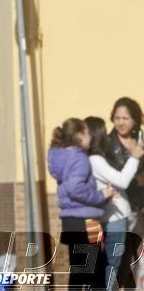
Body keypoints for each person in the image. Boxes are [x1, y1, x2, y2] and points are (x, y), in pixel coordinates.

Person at [48, 118, 114, 290]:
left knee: (79, 270)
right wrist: (102, 195)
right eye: (87, 133)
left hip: (71, 221)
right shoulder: (79, 158)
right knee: (97, 269)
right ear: (78, 135)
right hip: (87, 221)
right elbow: (75, 188)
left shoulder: (62, 157)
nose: (91, 138)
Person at [85, 116, 143, 290]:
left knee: (110, 263)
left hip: (107, 216)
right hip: (113, 218)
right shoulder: (95, 160)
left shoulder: (87, 159)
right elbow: (123, 181)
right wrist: (134, 157)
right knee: (113, 263)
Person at [105, 97, 144, 288]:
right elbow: (117, 178)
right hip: (121, 212)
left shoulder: (140, 140)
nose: (120, 122)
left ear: (135, 120)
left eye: (125, 118)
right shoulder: (108, 144)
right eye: (117, 118)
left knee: (141, 259)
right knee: (122, 258)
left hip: (140, 207)